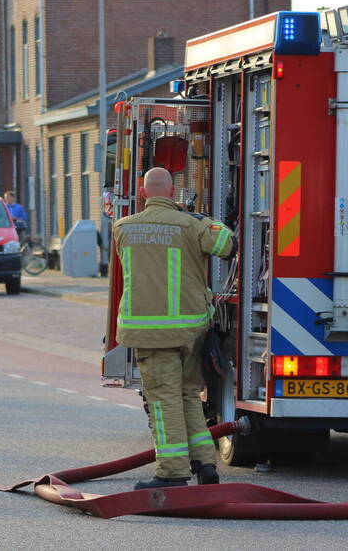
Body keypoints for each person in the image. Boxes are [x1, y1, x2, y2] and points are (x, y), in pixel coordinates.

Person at [113, 167, 236, 490]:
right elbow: (227, 245)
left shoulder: (122, 227)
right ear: (172, 194)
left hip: (150, 333)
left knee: (163, 401)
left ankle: (172, 473)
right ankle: (206, 465)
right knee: (187, 396)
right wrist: (204, 219)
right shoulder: (192, 226)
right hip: (192, 331)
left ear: (143, 193)